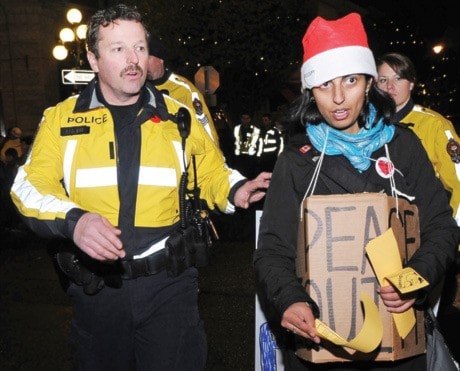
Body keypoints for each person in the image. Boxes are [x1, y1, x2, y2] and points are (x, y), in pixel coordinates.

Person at [10, 4, 270, 371]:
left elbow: (211, 171)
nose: (133, 60)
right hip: (98, 291)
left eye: (140, 47)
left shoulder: (176, 118)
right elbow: (27, 187)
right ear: (93, 59)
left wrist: (236, 189)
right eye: (118, 49)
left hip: (170, 287)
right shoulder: (61, 120)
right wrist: (75, 221)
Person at [253, 12, 459, 370]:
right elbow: (271, 251)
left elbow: (442, 228)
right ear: (309, 91)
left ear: (368, 82)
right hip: (322, 346)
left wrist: (414, 279)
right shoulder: (296, 162)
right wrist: (288, 300)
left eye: (349, 80)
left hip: (399, 347)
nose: (337, 98)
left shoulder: (404, 146)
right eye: (324, 85)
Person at [376, 52, 460, 226]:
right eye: (383, 80)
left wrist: (449, 236)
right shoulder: (366, 126)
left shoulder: (435, 125)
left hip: (427, 232)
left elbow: (458, 182)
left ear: (412, 83)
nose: (390, 87)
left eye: (398, 79)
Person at [146, 33, 220, 144]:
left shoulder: (184, 89)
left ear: (161, 60)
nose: (142, 63)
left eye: (147, 58)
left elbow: (207, 134)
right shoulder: (135, 89)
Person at [233, 112, 260, 178]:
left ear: (250, 119)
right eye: (243, 118)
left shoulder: (255, 129)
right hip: (239, 157)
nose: (245, 120)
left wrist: (257, 156)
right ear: (241, 119)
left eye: (247, 118)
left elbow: (258, 144)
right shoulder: (236, 128)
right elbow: (233, 141)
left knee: (251, 176)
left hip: (251, 158)